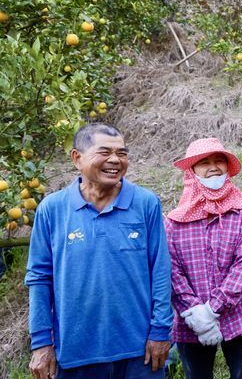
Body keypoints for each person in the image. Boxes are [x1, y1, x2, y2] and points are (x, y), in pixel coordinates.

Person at [25, 123, 173, 379]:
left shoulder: (145, 203)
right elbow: (39, 278)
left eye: (122, 153)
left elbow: (160, 270)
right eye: (104, 152)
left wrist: (161, 331)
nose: (115, 160)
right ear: (77, 158)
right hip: (75, 352)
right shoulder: (52, 209)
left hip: (140, 352)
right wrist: (41, 343)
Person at [165, 138, 242, 379]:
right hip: (191, 323)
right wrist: (196, 314)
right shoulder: (175, 222)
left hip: (238, 319)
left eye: (219, 160)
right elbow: (172, 271)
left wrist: (212, 310)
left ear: (228, 167)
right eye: (204, 162)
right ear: (192, 171)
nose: (213, 167)